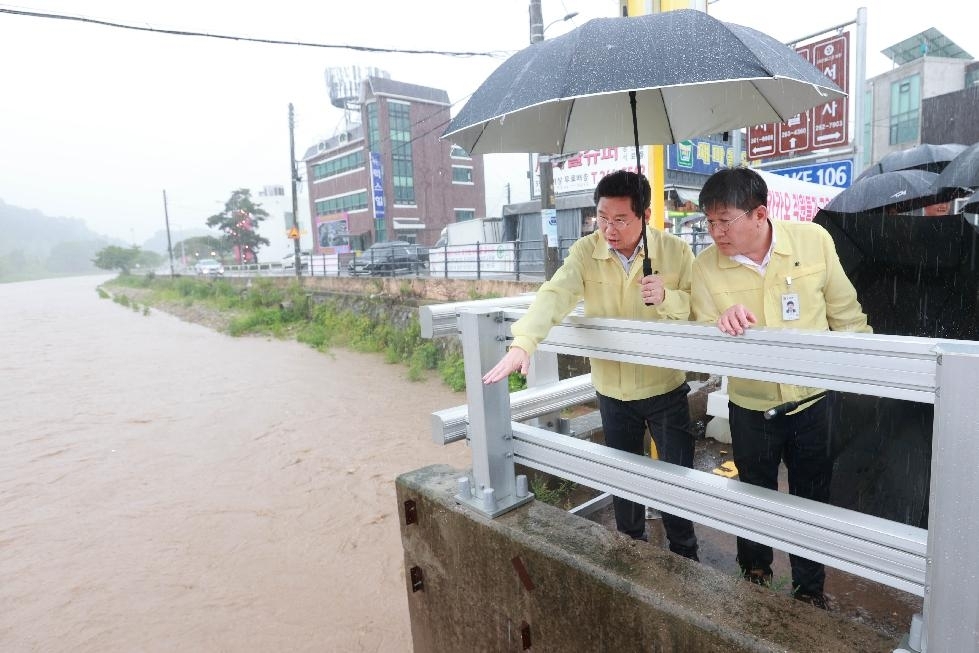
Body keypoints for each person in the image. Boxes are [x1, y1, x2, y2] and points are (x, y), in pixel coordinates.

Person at [482, 170, 699, 561]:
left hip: (665, 388)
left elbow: (699, 311)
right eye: (602, 217)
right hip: (613, 391)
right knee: (623, 482)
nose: (608, 229)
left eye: (620, 219)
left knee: (677, 478)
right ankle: (631, 553)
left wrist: (667, 297)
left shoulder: (676, 251)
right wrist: (524, 341)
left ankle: (686, 556)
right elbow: (555, 294)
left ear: (645, 215)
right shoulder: (586, 252)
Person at [690, 167, 870, 609]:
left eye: (725, 221)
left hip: (812, 401)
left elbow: (846, 313)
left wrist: (867, 371)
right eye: (709, 223)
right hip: (750, 405)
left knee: (812, 496)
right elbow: (696, 324)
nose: (716, 232)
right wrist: (718, 321)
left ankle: (809, 588)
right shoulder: (705, 267)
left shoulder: (812, 242)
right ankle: (754, 573)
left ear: (759, 214)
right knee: (754, 493)